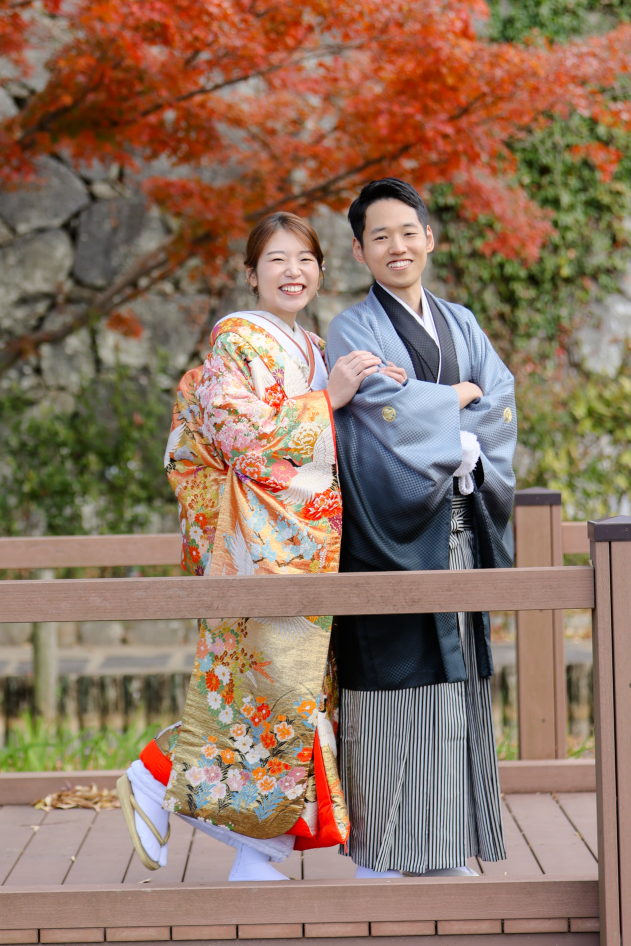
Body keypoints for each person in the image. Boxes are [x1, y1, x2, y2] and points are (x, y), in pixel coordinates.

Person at [117, 210, 406, 882]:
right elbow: (241, 440)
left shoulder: (312, 347)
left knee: (293, 700)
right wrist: (324, 402)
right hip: (261, 545)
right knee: (272, 699)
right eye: (276, 260)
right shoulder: (237, 340)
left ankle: (257, 848)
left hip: (306, 542)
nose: (293, 272)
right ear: (251, 275)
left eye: (305, 260)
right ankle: (161, 778)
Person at [325, 177, 516, 880]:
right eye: (380, 236)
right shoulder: (352, 327)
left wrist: (453, 420)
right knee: (395, 681)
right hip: (388, 531)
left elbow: (498, 398)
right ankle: (386, 849)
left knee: (454, 681)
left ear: (428, 239)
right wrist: (455, 406)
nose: (397, 246)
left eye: (408, 232)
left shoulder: (461, 321)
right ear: (359, 250)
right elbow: (377, 408)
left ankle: (447, 845)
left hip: (458, 522)